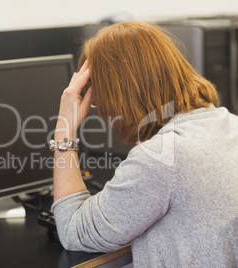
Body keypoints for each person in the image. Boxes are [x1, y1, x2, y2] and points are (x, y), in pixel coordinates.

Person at [51, 21, 238, 267]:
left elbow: (74, 231)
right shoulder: (228, 123)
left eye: (99, 102)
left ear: (118, 99)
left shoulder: (161, 159)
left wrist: (64, 127)